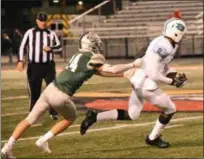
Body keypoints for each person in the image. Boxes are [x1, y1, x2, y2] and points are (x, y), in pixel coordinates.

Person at [1, 31, 142, 158]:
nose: (99, 46)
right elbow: (112, 69)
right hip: (61, 95)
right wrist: (132, 65)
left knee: (29, 120)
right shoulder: (91, 57)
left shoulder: (79, 55)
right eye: (96, 43)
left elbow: (99, 72)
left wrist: (123, 74)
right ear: (91, 45)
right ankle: (43, 140)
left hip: (50, 88)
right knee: (71, 117)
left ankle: (7, 147)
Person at [80, 15, 188, 148]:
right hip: (146, 84)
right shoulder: (164, 46)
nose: (183, 36)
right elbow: (153, 73)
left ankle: (95, 116)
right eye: (182, 33)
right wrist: (171, 81)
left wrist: (175, 73)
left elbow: (161, 66)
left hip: (138, 80)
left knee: (132, 114)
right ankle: (153, 138)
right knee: (170, 109)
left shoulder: (168, 43)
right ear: (176, 33)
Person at [17, 12, 60, 120]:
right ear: (37, 21)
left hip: (48, 66)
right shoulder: (30, 33)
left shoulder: (51, 33)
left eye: (45, 20)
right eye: (41, 20)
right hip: (34, 66)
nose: (43, 23)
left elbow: (59, 47)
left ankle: (53, 111)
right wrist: (20, 60)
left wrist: (51, 48)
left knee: (52, 90)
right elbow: (22, 47)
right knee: (34, 91)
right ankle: (33, 114)